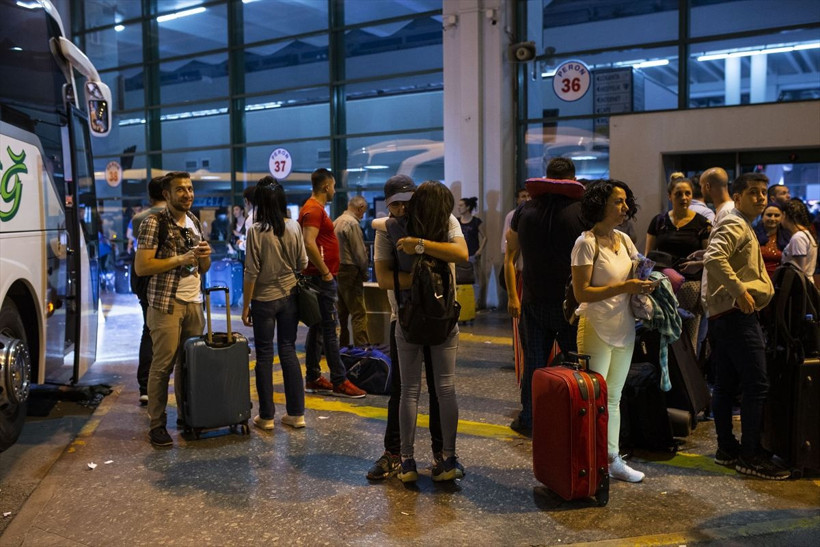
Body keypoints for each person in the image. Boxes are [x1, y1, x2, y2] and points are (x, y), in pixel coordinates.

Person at [703, 172, 788, 480]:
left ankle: (728, 449)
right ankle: (749, 455)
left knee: (725, 385)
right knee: (756, 384)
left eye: (764, 192)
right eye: (754, 192)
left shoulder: (742, 225)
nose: (761, 197)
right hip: (735, 314)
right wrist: (740, 290)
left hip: (725, 315)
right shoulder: (735, 222)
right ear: (737, 197)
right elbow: (714, 258)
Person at [571, 179, 654, 483]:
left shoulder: (624, 239)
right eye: (618, 201)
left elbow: (635, 271)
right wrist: (626, 286)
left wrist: (646, 278)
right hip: (596, 326)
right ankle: (588, 459)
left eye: (625, 201)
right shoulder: (585, 243)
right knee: (593, 399)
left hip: (625, 326)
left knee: (615, 397)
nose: (624, 207)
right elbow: (582, 293)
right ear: (600, 205)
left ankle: (612, 458)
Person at [386, 181, 468, 483]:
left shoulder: (394, 228)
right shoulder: (446, 225)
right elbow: (462, 253)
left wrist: (417, 245)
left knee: (409, 390)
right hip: (443, 316)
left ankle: (406, 461)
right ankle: (448, 457)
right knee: (445, 388)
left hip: (408, 317)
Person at [366, 175, 446, 481]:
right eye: (396, 204)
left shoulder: (436, 225)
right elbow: (385, 279)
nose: (403, 209)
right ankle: (394, 453)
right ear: (388, 206)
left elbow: (460, 255)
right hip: (403, 318)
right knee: (401, 390)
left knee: (441, 390)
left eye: (408, 202)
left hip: (438, 317)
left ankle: (443, 455)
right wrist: (425, 279)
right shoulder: (385, 230)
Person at [505, 157, 586, 436]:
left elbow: (511, 252)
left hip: (533, 298)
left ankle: (530, 418)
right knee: (577, 362)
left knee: (535, 365)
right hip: (571, 303)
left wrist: (513, 296)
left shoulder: (524, 210)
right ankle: (576, 415)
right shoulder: (582, 211)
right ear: (573, 179)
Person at [135, 171, 212, 447]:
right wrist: (181, 258)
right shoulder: (153, 222)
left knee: (189, 365)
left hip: (194, 302)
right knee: (162, 366)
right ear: (166, 195)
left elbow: (202, 267)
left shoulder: (192, 221)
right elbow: (142, 266)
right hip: (166, 304)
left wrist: (204, 257)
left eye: (190, 189)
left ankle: (186, 416)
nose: (187, 194)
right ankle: (156, 424)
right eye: (180, 190)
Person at [241, 176, 308, 431]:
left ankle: (266, 416)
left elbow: (251, 272)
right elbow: (303, 264)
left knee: (265, 356)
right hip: (289, 296)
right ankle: (296, 414)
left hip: (263, 300)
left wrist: (246, 305)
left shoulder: (255, 231)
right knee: (288, 350)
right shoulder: (293, 227)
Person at [298, 168, 366, 398]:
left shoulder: (314, 209)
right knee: (329, 328)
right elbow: (308, 242)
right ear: (326, 186)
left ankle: (314, 377)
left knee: (319, 328)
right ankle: (339, 380)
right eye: (334, 186)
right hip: (321, 278)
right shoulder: (314, 209)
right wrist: (326, 272)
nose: (335, 190)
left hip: (322, 277)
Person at [130, 176, 168, 405]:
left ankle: (145, 386)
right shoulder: (174, 216)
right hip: (167, 276)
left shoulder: (138, 218)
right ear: (167, 192)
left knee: (148, 329)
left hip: (143, 278)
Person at [645, 177, 711, 268]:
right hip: (663, 278)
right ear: (670, 196)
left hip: (692, 279)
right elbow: (648, 256)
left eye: (687, 193)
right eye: (678, 194)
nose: (684, 198)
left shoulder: (703, 223)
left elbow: (709, 257)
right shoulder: (658, 221)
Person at [333, 195, 370, 347]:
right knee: (358, 313)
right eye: (364, 211)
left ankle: (342, 347)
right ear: (360, 208)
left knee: (342, 313)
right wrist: (365, 272)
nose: (363, 215)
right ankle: (362, 349)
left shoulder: (336, 221)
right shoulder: (353, 223)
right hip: (351, 270)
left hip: (337, 269)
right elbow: (359, 252)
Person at [780, 198, 818, 282]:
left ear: (785, 215)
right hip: (806, 284)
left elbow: (799, 270)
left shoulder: (798, 237)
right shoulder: (806, 234)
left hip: (800, 288)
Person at [457, 196, 486, 303]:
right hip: (460, 254)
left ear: (468, 207)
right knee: (459, 278)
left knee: (475, 279)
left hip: (473, 254)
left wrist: (480, 250)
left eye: (461, 205)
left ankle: (475, 303)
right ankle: (461, 302)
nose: (459, 208)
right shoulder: (457, 221)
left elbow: (485, 237)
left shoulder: (476, 222)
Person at [758, 204, 783, 278]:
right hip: (758, 279)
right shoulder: (753, 235)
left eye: (776, 215)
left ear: (782, 217)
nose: (772, 218)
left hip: (779, 281)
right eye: (769, 215)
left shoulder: (787, 238)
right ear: (762, 217)